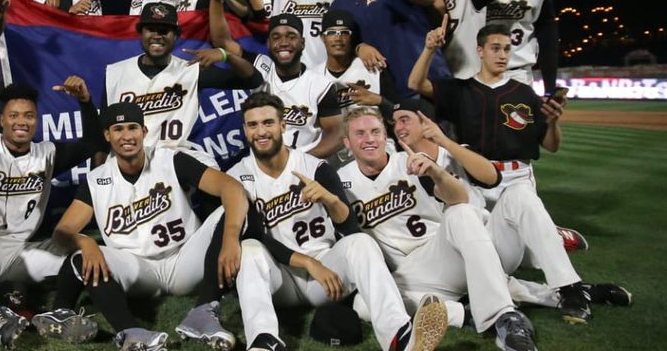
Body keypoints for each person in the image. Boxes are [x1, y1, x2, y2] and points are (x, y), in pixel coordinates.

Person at [410, 22, 631, 323]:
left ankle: (569, 288)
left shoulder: (525, 93)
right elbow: (416, 83)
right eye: (495, 48)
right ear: (480, 51)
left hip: (517, 176)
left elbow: (550, 145)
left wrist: (553, 122)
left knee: (523, 200)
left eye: (507, 49)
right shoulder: (461, 90)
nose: (502, 55)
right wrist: (429, 49)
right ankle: (571, 280)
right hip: (471, 182)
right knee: (483, 255)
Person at [227, 93, 448, 351]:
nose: (261, 131)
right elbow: (253, 235)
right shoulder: (237, 176)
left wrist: (331, 200)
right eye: (252, 125)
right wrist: (308, 263)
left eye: (268, 123)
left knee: (361, 242)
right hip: (279, 279)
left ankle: (400, 338)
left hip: (327, 275)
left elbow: (349, 229)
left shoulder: (315, 168)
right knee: (250, 250)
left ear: (283, 126)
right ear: (244, 130)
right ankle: (262, 342)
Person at [48, 102, 271, 351]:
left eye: (132, 127)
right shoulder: (97, 180)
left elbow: (231, 187)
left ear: (144, 131)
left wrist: (230, 238)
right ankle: (132, 333)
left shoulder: (171, 160)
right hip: (137, 270)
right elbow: (62, 232)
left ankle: (202, 312)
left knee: (239, 207)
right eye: (118, 129)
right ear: (107, 135)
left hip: (184, 259)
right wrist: (85, 241)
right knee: (82, 257)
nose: (126, 136)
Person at [339, 104, 540, 350]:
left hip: (442, 255)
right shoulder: (340, 181)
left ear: (385, 135)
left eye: (375, 131)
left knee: (461, 213)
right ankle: (466, 313)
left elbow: (460, 199)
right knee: (362, 303)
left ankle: (504, 316)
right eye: (360, 134)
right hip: (408, 275)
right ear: (347, 143)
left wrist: (438, 174)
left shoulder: (411, 161)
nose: (369, 139)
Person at [0, 80, 105, 347]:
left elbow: (95, 143)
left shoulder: (47, 154)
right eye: (14, 115)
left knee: (85, 254)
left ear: (37, 121)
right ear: (0, 119)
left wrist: (85, 102)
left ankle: (58, 311)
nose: (21, 122)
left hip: (21, 252)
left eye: (29, 116)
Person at [105, 2, 262, 162]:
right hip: (124, 164)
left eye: (164, 31)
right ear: (140, 33)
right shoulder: (115, 73)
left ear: (176, 36)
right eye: (151, 29)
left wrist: (226, 55)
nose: (157, 35)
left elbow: (253, 79)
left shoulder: (191, 70)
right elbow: (101, 136)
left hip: (173, 163)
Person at [207, 12, 343, 159]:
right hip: (261, 166)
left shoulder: (320, 85)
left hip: (304, 168)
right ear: (268, 43)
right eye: (276, 37)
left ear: (302, 43)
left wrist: (301, 161)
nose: (283, 42)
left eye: (291, 36)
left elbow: (337, 134)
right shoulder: (261, 66)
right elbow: (222, 41)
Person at [326, 0, 445, 99]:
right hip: (391, 93)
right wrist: (359, 48)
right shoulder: (338, 5)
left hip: (430, 80)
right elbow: (344, 47)